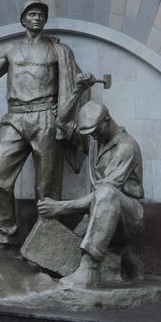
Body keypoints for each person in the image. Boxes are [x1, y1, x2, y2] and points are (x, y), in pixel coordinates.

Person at [0, 1, 94, 250]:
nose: (37, 18)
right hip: (14, 117)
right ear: (23, 20)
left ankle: (46, 244)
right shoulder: (10, 50)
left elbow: (74, 81)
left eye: (41, 15)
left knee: (47, 188)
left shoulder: (60, 51)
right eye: (32, 14)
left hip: (46, 117)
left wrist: (81, 85)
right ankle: (6, 234)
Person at [38, 99, 144, 289]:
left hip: (129, 217)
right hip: (98, 212)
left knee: (106, 192)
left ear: (107, 120)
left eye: (96, 130)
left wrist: (60, 207)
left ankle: (90, 269)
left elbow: (105, 193)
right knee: (59, 257)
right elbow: (62, 124)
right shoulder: (96, 140)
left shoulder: (126, 147)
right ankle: (125, 256)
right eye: (90, 133)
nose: (93, 136)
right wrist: (77, 91)